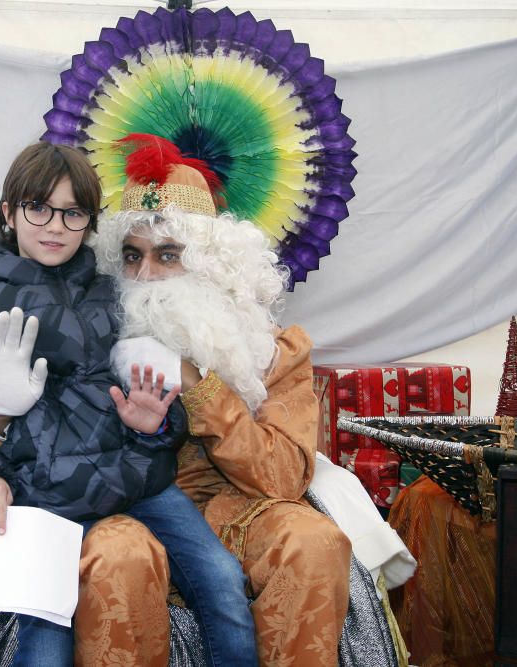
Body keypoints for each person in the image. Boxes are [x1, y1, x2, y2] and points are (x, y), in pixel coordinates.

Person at [0, 141, 258, 666]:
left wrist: (154, 426)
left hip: (137, 478)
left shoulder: (116, 294)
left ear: (90, 222)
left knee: (222, 581)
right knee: (45, 646)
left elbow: (157, 396)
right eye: (39, 208)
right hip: (40, 496)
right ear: (9, 212)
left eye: (72, 212)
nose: (55, 226)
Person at [73, 134, 359, 666]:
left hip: (241, 510)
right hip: (130, 512)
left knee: (313, 543)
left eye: (168, 256)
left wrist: (199, 384)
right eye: (131, 256)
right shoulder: (91, 336)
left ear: (212, 266)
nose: (145, 276)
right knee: (117, 555)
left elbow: (282, 478)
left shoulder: (273, 350)